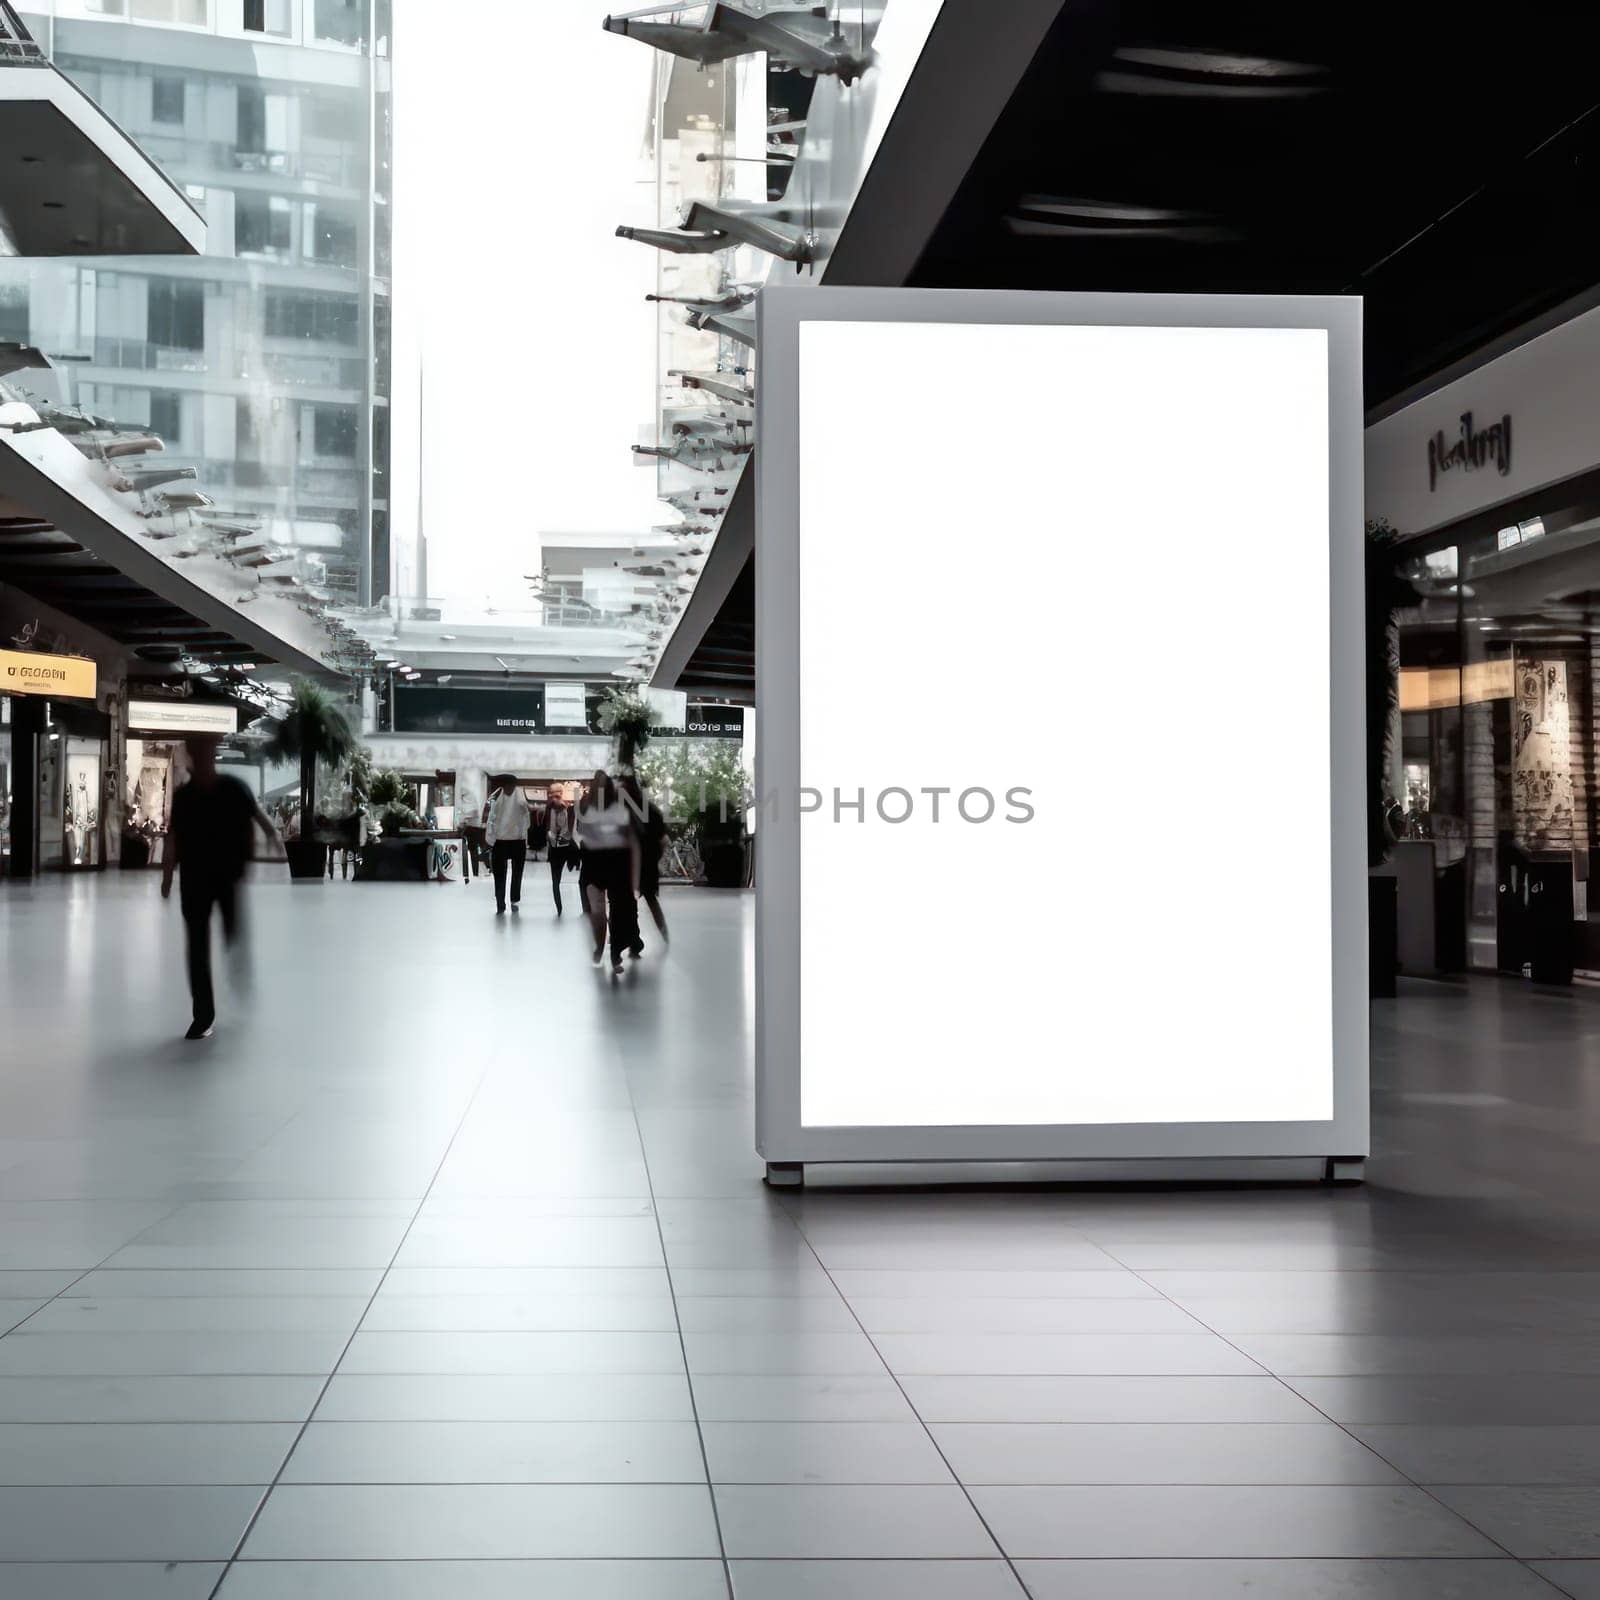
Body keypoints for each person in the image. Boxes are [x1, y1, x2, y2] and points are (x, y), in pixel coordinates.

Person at [160, 736, 278, 1040]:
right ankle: (203, 1015)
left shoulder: (232, 788)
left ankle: (234, 971)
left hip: (224, 876)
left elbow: (261, 820)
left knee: (228, 934)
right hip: (198, 879)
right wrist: (167, 875)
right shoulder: (186, 796)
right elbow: (173, 838)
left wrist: (266, 844)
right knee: (198, 947)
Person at [576, 769, 640, 975]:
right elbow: (579, 831)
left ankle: (614, 955)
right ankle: (599, 948)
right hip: (594, 864)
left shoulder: (619, 806)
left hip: (614, 864)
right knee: (598, 912)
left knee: (616, 912)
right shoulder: (585, 805)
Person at [620, 774, 669, 951]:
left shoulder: (625, 810)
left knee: (629, 903)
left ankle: (634, 940)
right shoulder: (651, 810)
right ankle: (661, 936)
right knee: (649, 900)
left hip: (633, 864)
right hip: (646, 864)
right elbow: (662, 840)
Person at [486, 774, 531, 915]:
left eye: (510, 786)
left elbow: (526, 821)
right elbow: (491, 820)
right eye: (506, 786)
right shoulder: (501, 799)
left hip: (514, 841)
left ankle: (512, 899)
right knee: (501, 874)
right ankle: (502, 901)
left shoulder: (516, 801)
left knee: (515, 873)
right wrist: (491, 839)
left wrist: (523, 836)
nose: (508, 789)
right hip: (504, 841)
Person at [546, 792, 576, 916]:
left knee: (556, 878)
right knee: (555, 879)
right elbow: (549, 828)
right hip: (555, 847)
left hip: (564, 846)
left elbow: (570, 829)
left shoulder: (568, 811)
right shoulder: (550, 811)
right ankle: (559, 906)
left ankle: (559, 906)